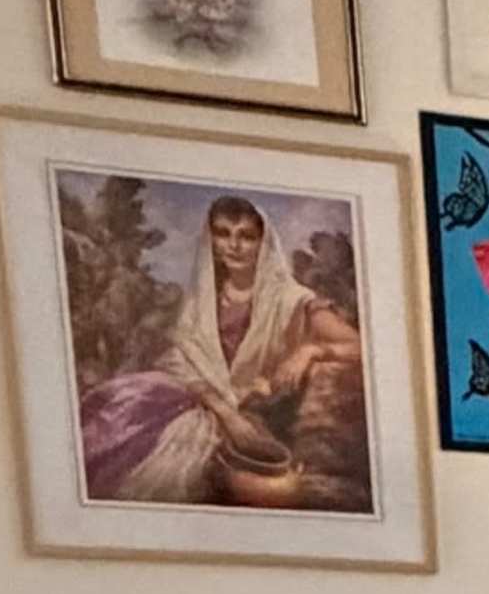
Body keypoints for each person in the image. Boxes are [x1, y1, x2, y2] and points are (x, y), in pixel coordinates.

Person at [75, 192, 371, 512]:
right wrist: (220, 408)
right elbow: (182, 356)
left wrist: (310, 350)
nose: (234, 245)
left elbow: (356, 346)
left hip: (252, 406)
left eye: (246, 236)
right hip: (202, 399)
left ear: (262, 242)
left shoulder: (293, 299)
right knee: (121, 407)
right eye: (223, 234)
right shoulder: (203, 300)